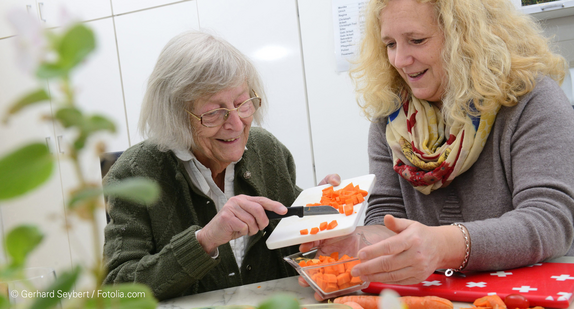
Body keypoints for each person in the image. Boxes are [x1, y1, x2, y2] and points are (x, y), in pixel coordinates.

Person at [299, 0, 574, 300]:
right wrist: (358, 242)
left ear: (466, 37)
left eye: (416, 40)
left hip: (529, 299)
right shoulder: (391, 122)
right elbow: (386, 216)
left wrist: (443, 246)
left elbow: (550, 221)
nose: (400, 59)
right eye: (390, 44)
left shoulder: (531, 100)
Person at [102, 30, 340, 301]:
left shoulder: (267, 150)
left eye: (242, 103)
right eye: (214, 113)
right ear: (176, 117)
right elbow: (117, 292)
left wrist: (319, 212)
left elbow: (295, 244)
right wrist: (204, 240)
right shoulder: (133, 174)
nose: (237, 124)